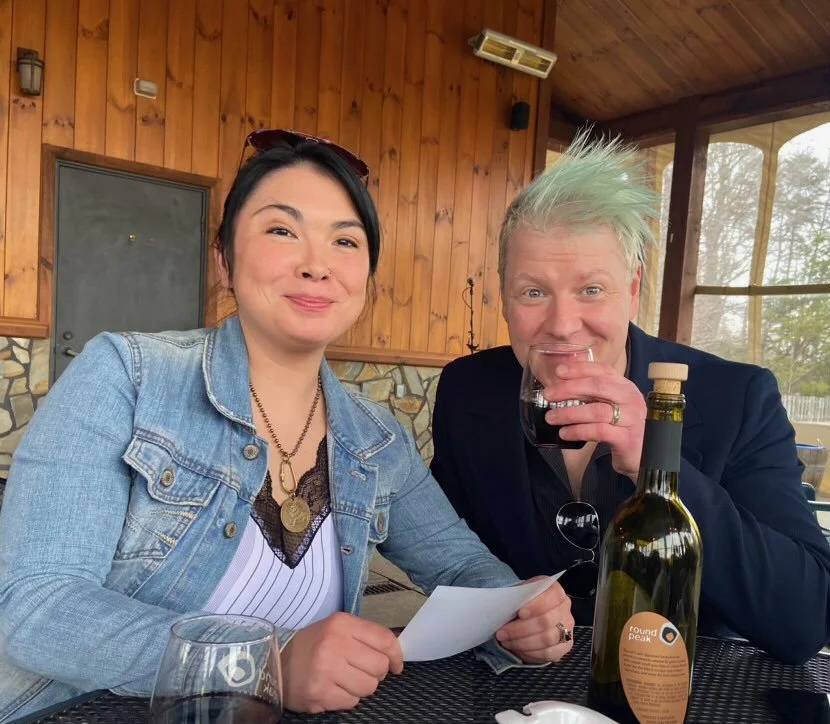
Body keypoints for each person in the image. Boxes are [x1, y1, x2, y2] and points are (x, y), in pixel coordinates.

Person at [0, 131, 575, 723]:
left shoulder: (375, 439)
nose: (317, 265)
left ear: (367, 278)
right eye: (282, 230)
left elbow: (459, 568)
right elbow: (37, 608)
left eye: (345, 241)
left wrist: (518, 611)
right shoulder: (128, 377)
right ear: (223, 259)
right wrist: (266, 662)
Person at [431, 132, 830, 666]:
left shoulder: (737, 398)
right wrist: (500, 609)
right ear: (503, 294)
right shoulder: (468, 391)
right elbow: (447, 554)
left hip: (687, 688)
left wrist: (657, 460)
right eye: (533, 291)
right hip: (517, 690)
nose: (562, 324)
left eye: (591, 289)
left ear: (634, 290)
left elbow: (805, 618)